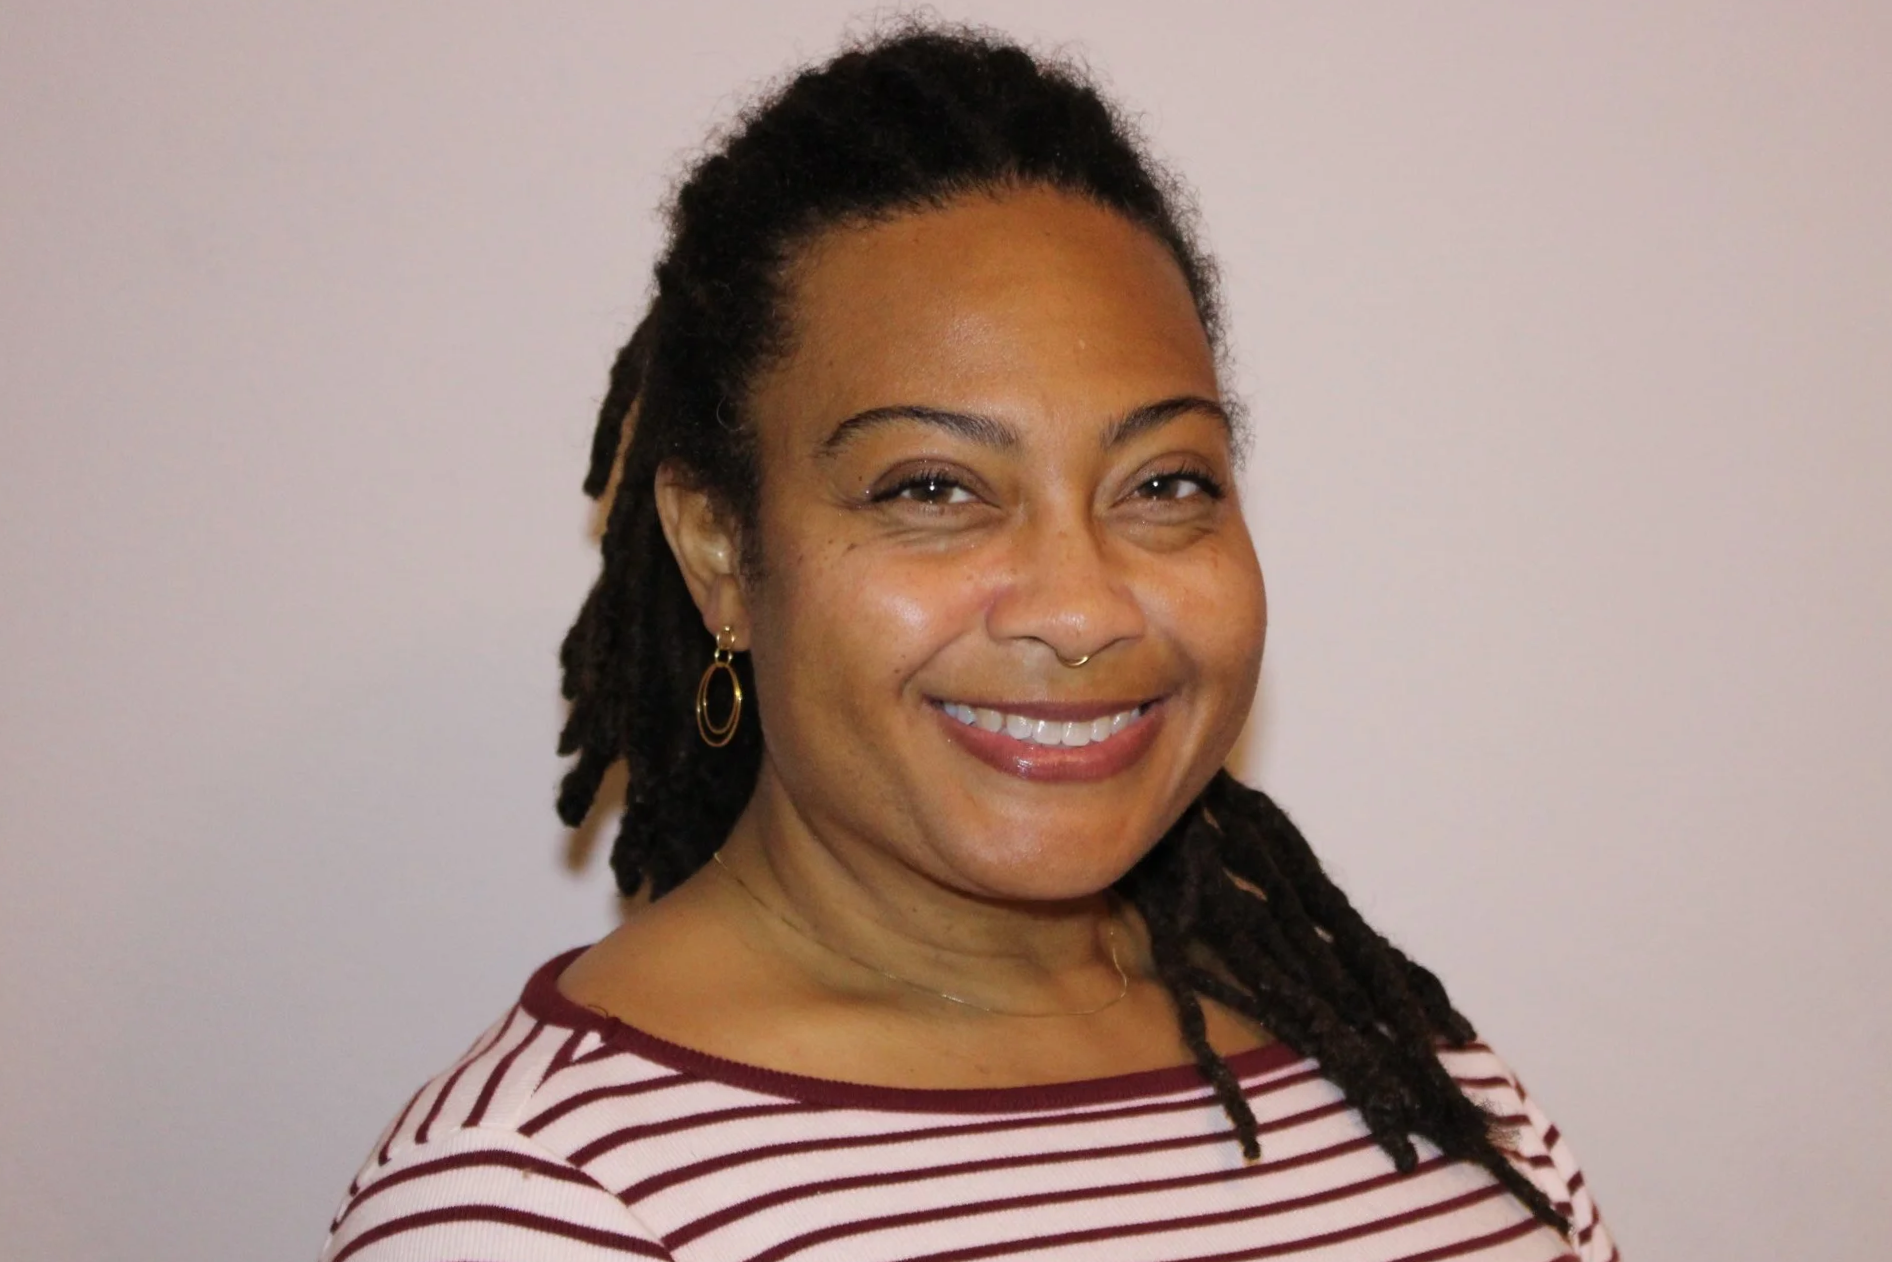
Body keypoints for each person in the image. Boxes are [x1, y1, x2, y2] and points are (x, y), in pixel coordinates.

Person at [320, 24, 1616, 1262]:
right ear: (720, 550)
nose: (1082, 607)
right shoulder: (541, 1201)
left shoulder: (1432, 1091)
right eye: (933, 488)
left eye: (1164, 482)